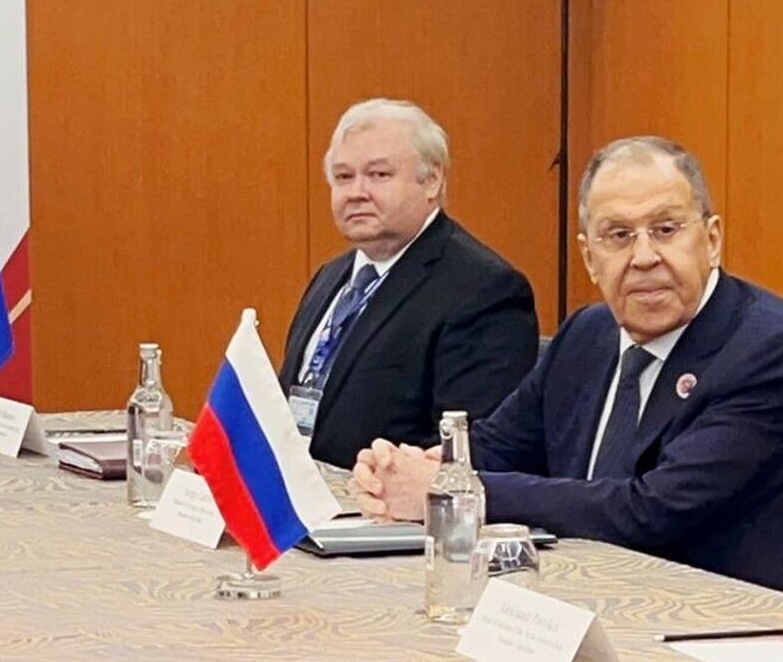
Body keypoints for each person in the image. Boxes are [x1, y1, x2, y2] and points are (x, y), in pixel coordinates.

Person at [354, 137, 783, 590]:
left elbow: (654, 510)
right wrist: (404, 470)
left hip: (714, 613)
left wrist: (454, 489)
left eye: (665, 229)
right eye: (619, 236)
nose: (644, 257)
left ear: (712, 241)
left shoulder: (763, 349)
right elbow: (498, 446)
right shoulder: (587, 334)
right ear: (589, 258)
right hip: (580, 597)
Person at [279, 99, 538, 469]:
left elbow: (469, 451)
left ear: (432, 181)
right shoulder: (330, 277)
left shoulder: (485, 290)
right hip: (297, 490)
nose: (356, 192)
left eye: (378, 175)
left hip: (382, 500)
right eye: (343, 177)